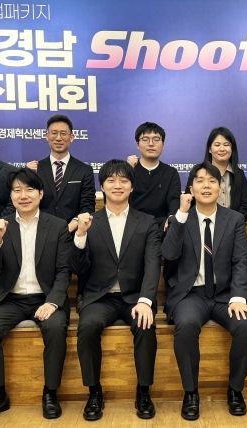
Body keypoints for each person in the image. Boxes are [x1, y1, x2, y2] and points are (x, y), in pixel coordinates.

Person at [162, 162, 247, 421]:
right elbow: (168, 254)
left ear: (220, 187)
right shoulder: (179, 218)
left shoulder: (234, 219)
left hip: (225, 295)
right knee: (186, 324)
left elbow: (241, 261)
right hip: (191, 294)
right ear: (191, 188)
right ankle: (191, 393)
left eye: (212, 181)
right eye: (200, 180)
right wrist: (181, 216)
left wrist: (238, 296)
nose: (206, 185)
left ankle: (235, 390)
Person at [0, 168, 71, 422]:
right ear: (11, 196)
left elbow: (64, 271)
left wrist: (53, 302)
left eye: (29, 189)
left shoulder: (58, 226)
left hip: (45, 298)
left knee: (55, 328)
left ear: (40, 194)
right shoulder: (1, 226)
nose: (23, 195)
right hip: (11, 299)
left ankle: (50, 393)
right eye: (17, 190)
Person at [70, 160, 161, 421]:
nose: (117, 185)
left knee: (145, 325)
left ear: (132, 187)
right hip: (100, 297)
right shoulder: (90, 222)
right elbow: (78, 268)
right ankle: (94, 392)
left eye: (123, 180)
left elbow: (153, 264)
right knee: (87, 326)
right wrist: (80, 236)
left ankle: (143, 391)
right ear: (102, 186)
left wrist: (145, 300)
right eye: (111, 180)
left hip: (135, 297)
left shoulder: (147, 222)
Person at [27, 114, 95, 233]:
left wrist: (68, 229)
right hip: (41, 233)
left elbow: (88, 206)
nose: (58, 138)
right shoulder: (36, 169)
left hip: (73, 233)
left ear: (72, 137)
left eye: (63, 133)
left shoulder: (84, 170)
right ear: (47, 136)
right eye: (54, 133)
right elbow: (28, 203)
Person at [185, 127, 247, 222]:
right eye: (217, 145)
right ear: (210, 149)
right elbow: (189, 202)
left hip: (233, 226)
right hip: (203, 225)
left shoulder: (239, 174)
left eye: (226, 144)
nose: (222, 149)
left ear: (232, 149)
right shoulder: (198, 172)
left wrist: (234, 225)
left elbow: (245, 206)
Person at [127, 122, 181, 226]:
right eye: (145, 139)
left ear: (163, 144)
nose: (151, 144)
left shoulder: (171, 173)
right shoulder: (129, 170)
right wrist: (127, 171)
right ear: (138, 145)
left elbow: (174, 201)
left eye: (156, 139)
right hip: (133, 225)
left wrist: (170, 220)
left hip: (162, 227)